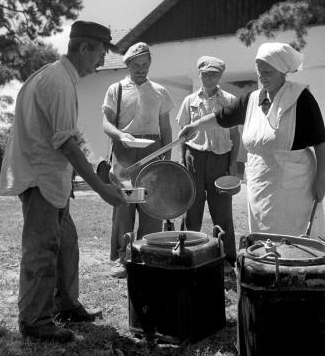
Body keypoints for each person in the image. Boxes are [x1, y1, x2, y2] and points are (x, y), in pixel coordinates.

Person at [0, 21, 125, 343]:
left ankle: (65, 305)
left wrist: (98, 165)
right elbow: (65, 142)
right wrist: (101, 190)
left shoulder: (59, 78)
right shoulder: (57, 82)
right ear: (84, 48)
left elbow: (71, 136)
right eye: (99, 54)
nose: (100, 63)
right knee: (42, 251)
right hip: (41, 180)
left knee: (66, 243)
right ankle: (35, 321)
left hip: (50, 179)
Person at [179, 42, 325, 239]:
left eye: (268, 72)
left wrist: (321, 179)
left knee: (293, 238)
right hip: (260, 181)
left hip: (294, 183)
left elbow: (320, 142)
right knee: (263, 237)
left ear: (282, 72)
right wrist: (195, 125)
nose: (263, 77)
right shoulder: (252, 100)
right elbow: (223, 116)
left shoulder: (300, 98)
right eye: (259, 72)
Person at [102, 42, 175, 278]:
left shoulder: (159, 91)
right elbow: (106, 123)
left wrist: (167, 159)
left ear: (150, 64)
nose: (141, 69)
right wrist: (120, 134)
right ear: (128, 64)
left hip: (152, 152)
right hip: (124, 153)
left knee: (150, 203)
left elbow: (165, 126)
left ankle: (146, 253)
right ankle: (123, 258)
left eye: (145, 64)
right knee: (125, 204)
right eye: (136, 65)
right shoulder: (117, 89)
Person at [176, 56, 240, 272]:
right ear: (199, 75)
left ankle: (226, 258)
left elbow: (235, 136)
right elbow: (183, 135)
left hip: (220, 158)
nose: (209, 78)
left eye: (213, 74)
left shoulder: (230, 100)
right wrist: (182, 161)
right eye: (205, 74)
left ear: (220, 75)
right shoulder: (189, 101)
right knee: (192, 208)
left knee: (222, 210)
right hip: (194, 158)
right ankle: (188, 252)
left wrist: (232, 165)